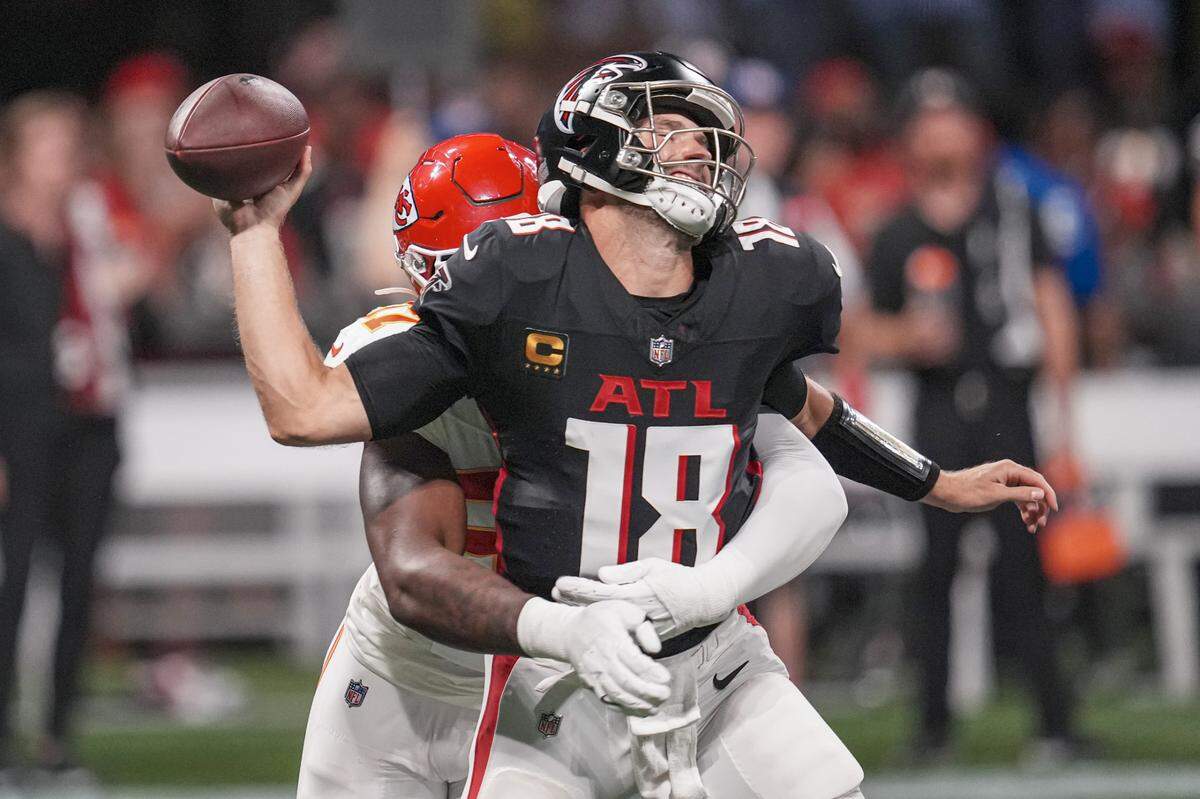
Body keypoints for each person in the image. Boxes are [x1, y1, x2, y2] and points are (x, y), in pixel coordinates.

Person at [216, 53, 1055, 798]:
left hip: (696, 650)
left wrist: (934, 482)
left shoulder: (732, 287)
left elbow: (803, 421)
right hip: (518, 658)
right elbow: (373, 509)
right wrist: (256, 229)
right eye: (669, 129)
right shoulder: (482, 315)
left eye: (702, 131)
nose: (698, 147)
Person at [299, 132, 858, 798]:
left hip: (552, 672)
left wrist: (931, 481)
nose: (482, 301)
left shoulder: (636, 335)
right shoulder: (404, 354)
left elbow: (805, 434)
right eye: (458, 276)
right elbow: (410, 565)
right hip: (416, 670)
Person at [861, 69, 1082, 763]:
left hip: (1008, 402)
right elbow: (863, 329)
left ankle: (1054, 721)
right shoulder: (897, 229)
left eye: (951, 119)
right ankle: (933, 728)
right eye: (927, 123)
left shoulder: (1012, 211)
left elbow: (1052, 306)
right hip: (937, 407)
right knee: (936, 571)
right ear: (910, 139)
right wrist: (908, 339)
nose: (941, 134)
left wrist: (1066, 418)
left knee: (1027, 567)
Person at [0, 91, 142, 782]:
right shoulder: (7, 232)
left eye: (68, 143)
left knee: (80, 584)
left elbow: (130, 287)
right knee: (11, 582)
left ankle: (56, 736)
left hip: (88, 423)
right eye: (48, 144)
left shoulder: (88, 224)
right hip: (18, 430)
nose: (62, 159)